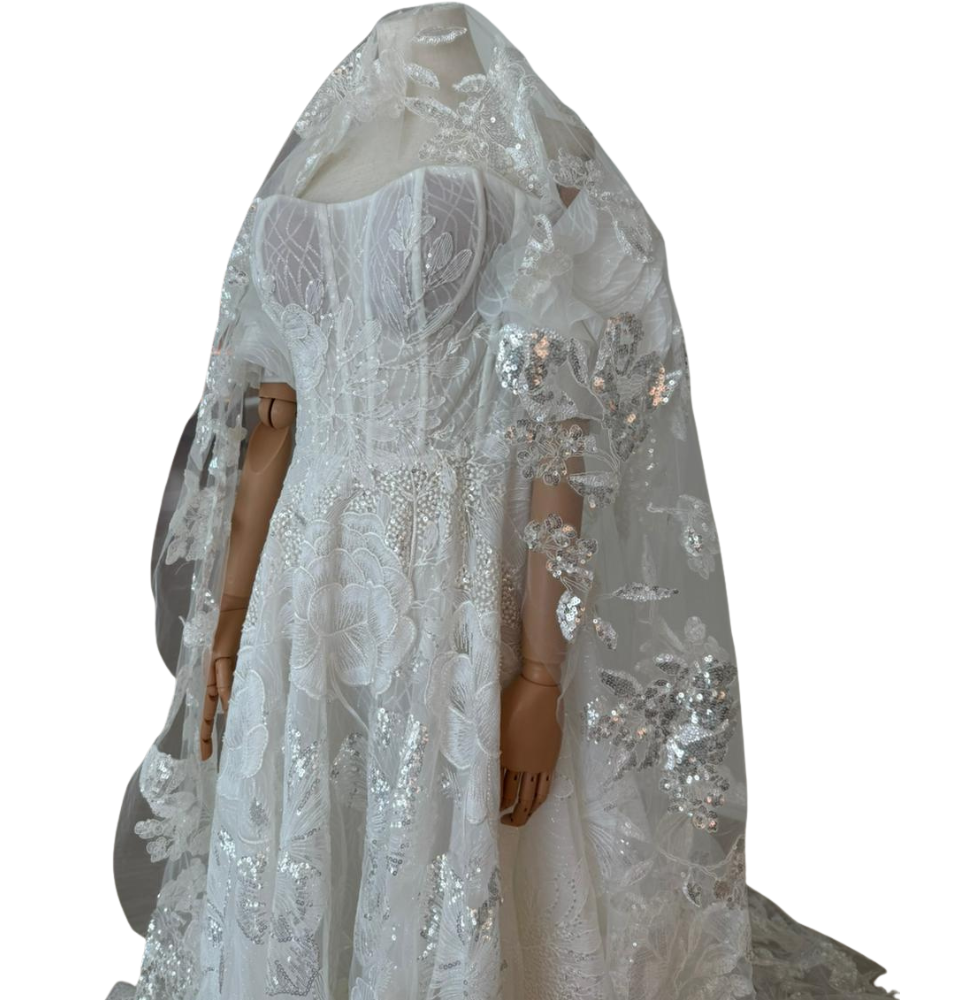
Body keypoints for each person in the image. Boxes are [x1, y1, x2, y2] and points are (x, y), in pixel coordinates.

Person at [106, 5, 897, 998]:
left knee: (457, 844)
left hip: (452, 573)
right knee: (310, 845)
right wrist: (226, 619)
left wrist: (538, 673)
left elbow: (561, 427)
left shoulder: (515, 154)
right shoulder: (317, 154)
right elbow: (275, 421)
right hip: (301, 594)